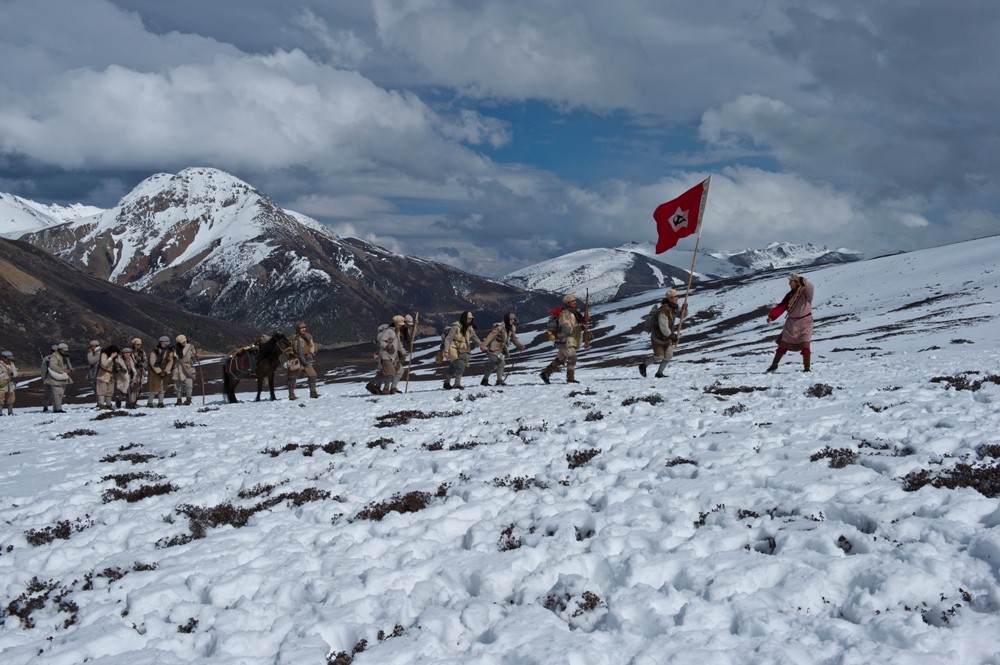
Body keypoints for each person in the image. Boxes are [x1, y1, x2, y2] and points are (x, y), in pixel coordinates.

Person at [765, 273, 815, 373]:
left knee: (805, 344)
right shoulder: (791, 294)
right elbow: (782, 306)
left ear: (797, 282)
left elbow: (811, 287)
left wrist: (803, 280)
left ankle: (807, 368)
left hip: (805, 322)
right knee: (783, 345)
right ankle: (774, 366)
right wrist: (772, 316)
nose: (789, 283)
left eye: (791, 281)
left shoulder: (805, 292)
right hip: (791, 323)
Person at [640, 288, 688, 379]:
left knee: (669, 355)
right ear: (670, 298)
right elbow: (664, 327)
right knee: (659, 357)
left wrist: (685, 309)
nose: (677, 298)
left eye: (677, 296)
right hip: (658, 336)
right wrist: (672, 336)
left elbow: (683, 315)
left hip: (667, 336)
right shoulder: (663, 310)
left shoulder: (675, 307)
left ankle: (659, 373)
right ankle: (643, 365)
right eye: (675, 297)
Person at [540, 294, 588, 385]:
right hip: (566, 340)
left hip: (568, 340)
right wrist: (581, 328)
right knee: (572, 357)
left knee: (560, 359)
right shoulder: (565, 314)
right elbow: (567, 329)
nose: (575, 302)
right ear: (568, 303)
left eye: (575, 300)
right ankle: (570, 378)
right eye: (573, 301)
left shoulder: (572, 313)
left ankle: (545, 373)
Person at [443, 311, 485, 390]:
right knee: (460, 365)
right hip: (453, 348)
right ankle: (457, 384)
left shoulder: (469, 327)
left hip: (462, 349)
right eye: (468, 318)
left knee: (453, 367)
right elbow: (448, 339)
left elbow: (474, 336)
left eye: (470, 319)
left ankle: (446, 383)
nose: (469, 320)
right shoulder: (456, 327)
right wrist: (446, 351)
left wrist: (481, 344)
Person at [481, 312, 525, 386]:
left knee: (494, 365)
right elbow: (491, 336)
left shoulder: (512, 328)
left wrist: (519, 345)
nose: (512, 321)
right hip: (493, 348)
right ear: (507, 319)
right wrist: (483, 345)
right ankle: (499, 381)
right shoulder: (500, 327)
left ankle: (485, 380)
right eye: (510, 319)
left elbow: (514, 338)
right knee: (501, 363)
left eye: (513, 319)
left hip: (501, 349)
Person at [367, 315, 404, 395]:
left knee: (386, 373)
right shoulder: (389, 331)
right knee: (390, 373)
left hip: (392, 357)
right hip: (385, 355)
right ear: (395, 323)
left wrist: (403, 352)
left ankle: (381, 388)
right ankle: (381, 388)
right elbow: (382, 342)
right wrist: (388, 346)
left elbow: (398, 344)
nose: (401, 325)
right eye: (400, 324)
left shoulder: (396, 332)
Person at [287, 322, 320, 400]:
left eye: (304, 327)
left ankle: (313, 393)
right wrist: (290, 352)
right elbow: (288, 347)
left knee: (313, 375)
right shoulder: (292, 337)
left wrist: (311, 353)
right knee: (292, 377)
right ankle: (291, 395)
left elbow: (312, 345)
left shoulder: (308, 336)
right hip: (294, 359)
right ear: (298, 329)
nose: (303, 329)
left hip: (305, 358)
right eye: (302, 328)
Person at [147, 336, 174, 408]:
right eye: (164, 343)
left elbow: (171, 361)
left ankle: (160, 402)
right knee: (154, 388)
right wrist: (159, 371)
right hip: (154, 372)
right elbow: (152, 362)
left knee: (162, 388)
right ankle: (149, 402)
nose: (166, 344)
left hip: (164, 370)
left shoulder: (170, 351)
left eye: (167, 343)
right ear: (161, 343)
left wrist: (166, 371)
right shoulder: (155, 351)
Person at [45, 343, 73, 413]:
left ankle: (56, 408)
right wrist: (63, 370)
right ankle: (58, 409)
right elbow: (52, 366)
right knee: (58, 394)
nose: (66, 352)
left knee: (59, 393)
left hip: (59, 377)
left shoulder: (62, 356)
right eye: (64, 351)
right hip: (55, 378)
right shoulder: (55, 356)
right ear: (60, 350)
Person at [391, 314, 416, 393]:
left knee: (397, 370)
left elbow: (410, 336)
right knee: (393, 370)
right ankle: (388, 388)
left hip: (398, 351)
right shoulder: (395, 330)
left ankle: (392, 387)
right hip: (393, 352)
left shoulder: (404, 329)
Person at [172, 334, 197, 405]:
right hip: (178, 367)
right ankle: (179, 399)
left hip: (188, 367)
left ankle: (189, 399)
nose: (184, 342)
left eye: (184, 341)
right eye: (182, 342)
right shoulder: (175, 349)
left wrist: (195, 356)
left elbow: (194, 356)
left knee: (189, 384)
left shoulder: (190, 347)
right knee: (178, 385)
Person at [95, 344, 120, 410]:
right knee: (102, 391)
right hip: (102, 376)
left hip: (111, 377)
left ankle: (109, 405)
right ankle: (102, 405)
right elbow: (104, 364)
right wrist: (111, 357)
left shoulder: (115, 358)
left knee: (109, 392)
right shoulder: (104, 355)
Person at [40, 344, 59, 412]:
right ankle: (45, 407)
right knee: (47, 394)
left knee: (56, 394)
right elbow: (43, 369)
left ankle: (56, 407)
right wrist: (44, 378)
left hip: (57, 378)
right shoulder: (46, 359)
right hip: (48, 379)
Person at [128, 338, 146, 408]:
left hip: (140, 370)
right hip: (133, 371)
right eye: (137, 344)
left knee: (139, 386)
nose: (139, 346)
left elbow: (145, 360)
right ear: (134, 344)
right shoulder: (131, 352)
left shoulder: (142, 352)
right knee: (133, 387)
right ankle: (132, 401)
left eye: (140, 344)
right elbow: (130, 362)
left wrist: (143, 363)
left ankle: (135, 401)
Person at [0, 351, 17, 416]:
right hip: (2, 383)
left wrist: (12, 373)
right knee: (0, 398)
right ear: (3, 358)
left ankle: (10, 412)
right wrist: (6, 374)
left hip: (10, 383)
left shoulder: (12, 364)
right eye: (8, 358)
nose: (9, 360)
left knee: (11, 397)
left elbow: (15, 373)